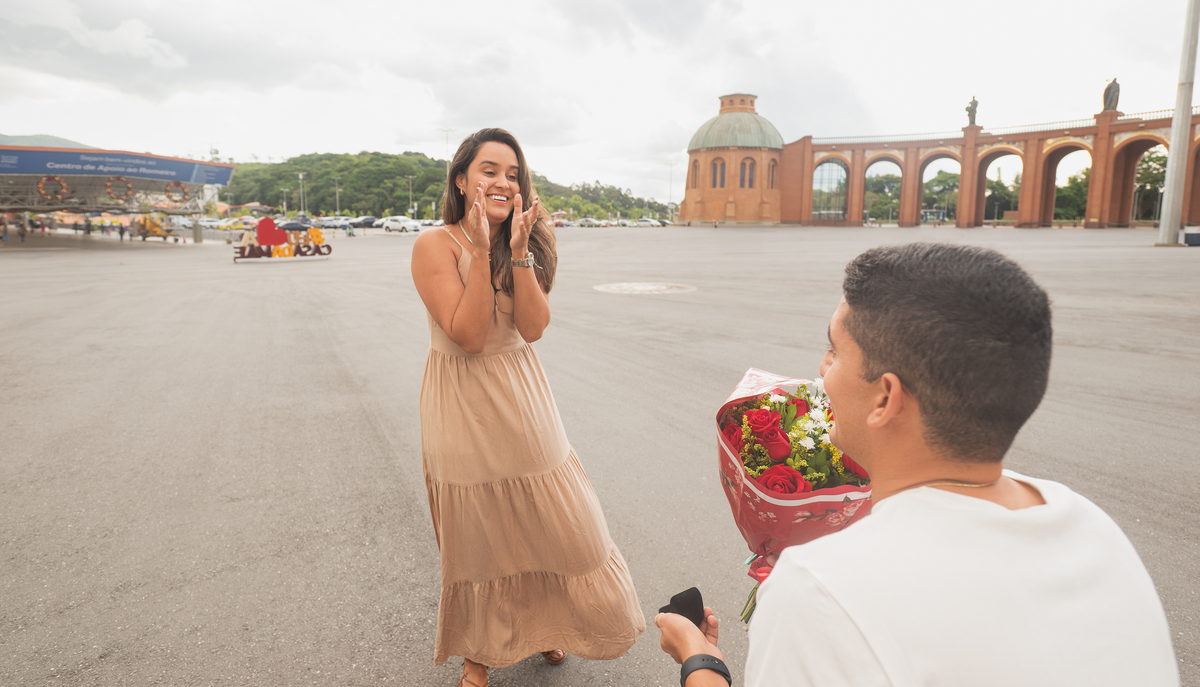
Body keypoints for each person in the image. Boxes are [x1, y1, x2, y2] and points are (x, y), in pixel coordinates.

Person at [656, 243, 1178, 687]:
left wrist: (701, 663)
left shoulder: (821, 589)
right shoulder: (1093, 526)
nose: (821, 371)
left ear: (885, 399)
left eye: (834, 351)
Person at [411, 128, 644, 687]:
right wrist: (474, 244)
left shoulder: (522, 242)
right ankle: (478, 655)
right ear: (462, 179)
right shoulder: (434, 245)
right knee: (479, 532)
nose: (502, 181)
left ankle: (550, 625)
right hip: (462, 401)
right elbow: (467, 335)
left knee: (562, 523)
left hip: (524, 397)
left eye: (512, 174)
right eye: (489, 170)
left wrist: (515, 252)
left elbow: (533, 328)